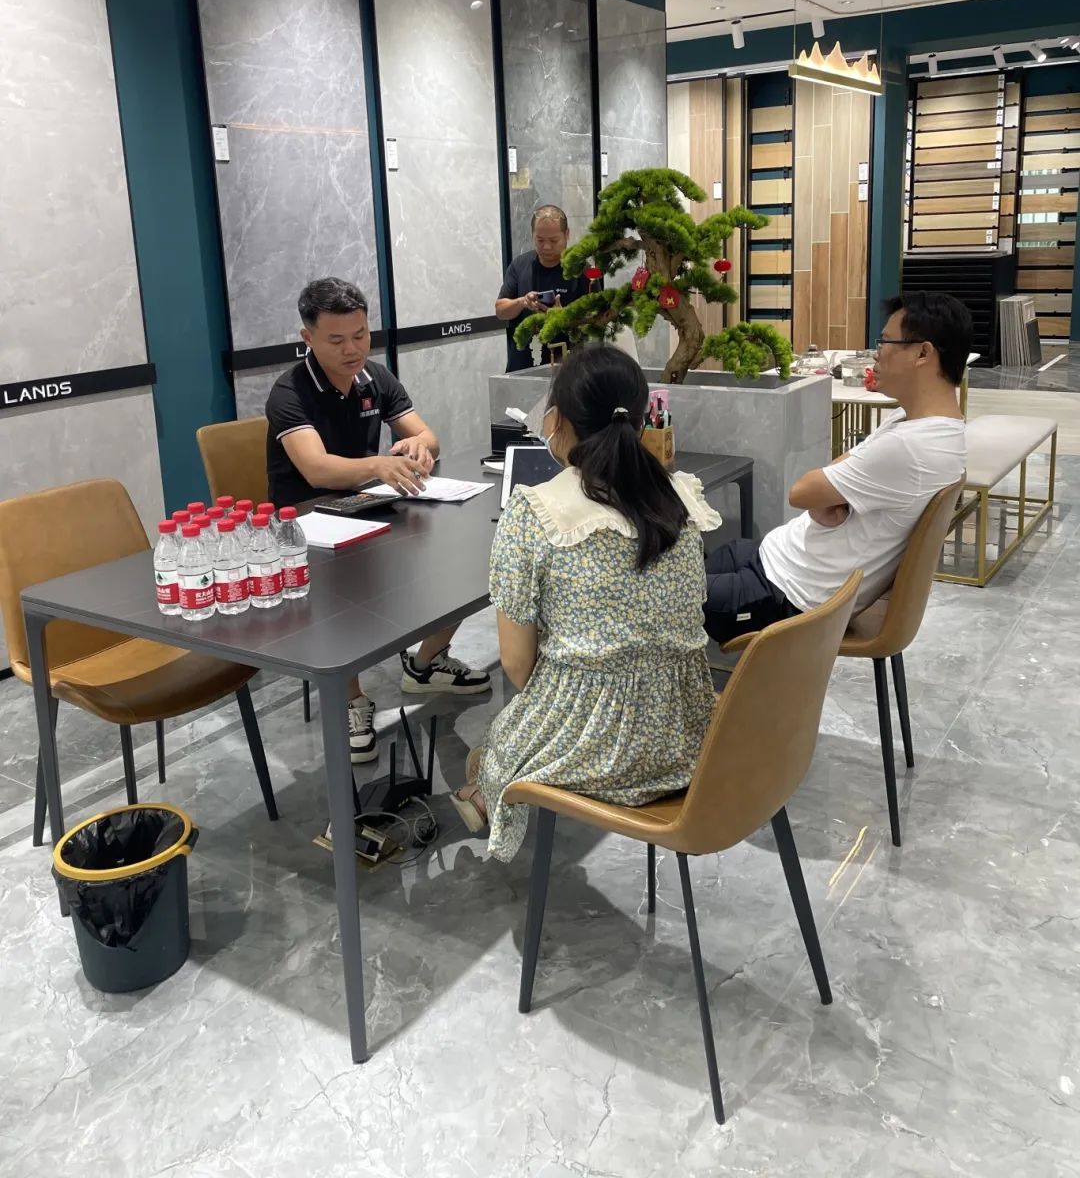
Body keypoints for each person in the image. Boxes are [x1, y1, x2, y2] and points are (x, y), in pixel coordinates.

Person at [451, 343, 721, 861]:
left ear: (555, 420)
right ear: (641, 420)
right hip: (685, 739)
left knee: (496, 747)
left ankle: (483, 791)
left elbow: (517, 665)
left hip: (591, 749)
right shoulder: (682, 498)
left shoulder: (535, 512)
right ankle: (487, 783)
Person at [265, 277, 490, 762]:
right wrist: (380, 465)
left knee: (464, 560)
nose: (352, 349)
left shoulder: (374, 377)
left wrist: (417, 447)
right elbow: (317, 469)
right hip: (309, 523)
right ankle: (350, 700)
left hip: (367, 506)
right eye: (337, 340)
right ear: (307, 338)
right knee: (339, 595)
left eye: (361, 335)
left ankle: (426, 663)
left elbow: (428, 437)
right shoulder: (290, 392)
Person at [702, 291, 971, 644]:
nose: (877, 353)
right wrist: (829, 492)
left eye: (885, 341)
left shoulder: (909, 447)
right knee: (676, 564)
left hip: (784, 595)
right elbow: (829, 481)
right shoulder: (927, 427)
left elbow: (802, 492)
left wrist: (826, 493)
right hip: (777, 559)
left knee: (648, 594)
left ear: (923, 353)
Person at [496, 204, 590, 372]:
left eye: (554, 240)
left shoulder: (581, 270)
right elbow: (500, 310)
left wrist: (565, 317)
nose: (546, 247)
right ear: (532, 235)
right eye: (540, 240)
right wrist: (522, 302)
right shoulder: (520, 265)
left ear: (567, 234)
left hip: (568, 370)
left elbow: (596, 320)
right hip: (522, 368)